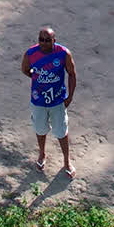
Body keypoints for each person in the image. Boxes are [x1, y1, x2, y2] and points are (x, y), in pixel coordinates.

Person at [22, 26, 77, 176]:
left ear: (54, 40)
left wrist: (69, 97)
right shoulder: (30, 54)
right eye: (41, 40)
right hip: (38, 101)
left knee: (61, 132)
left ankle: (66, 161)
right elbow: (25, 69)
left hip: (57, 101)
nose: (44, 43)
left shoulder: (63, 53)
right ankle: (42, 153)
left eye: (47, 40)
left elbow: (72, 74)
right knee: (40, 130)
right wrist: (38, 78)